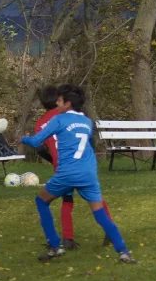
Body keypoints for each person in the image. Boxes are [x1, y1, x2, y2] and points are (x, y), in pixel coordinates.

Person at [21, 84, 136, 263]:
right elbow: (88, 144)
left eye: (59, 101)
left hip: (67, 172)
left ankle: (54, 247)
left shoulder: (59, 119)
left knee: (41, 201)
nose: (56, 104)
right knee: (99, 213)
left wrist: (21, 138)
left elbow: (36, 141)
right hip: (88, 173)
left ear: (67, 104)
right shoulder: (87, 121)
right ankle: (123, 252)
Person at [34, 86, 113, 250]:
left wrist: (52, 161)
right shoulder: (69, 115)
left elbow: (39, 148)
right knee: (95, 197)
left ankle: (68, 238)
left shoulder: (41, 122)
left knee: (67, 201)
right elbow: (88, 136)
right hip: (81, 163)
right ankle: (110, 230)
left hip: (62, 166)